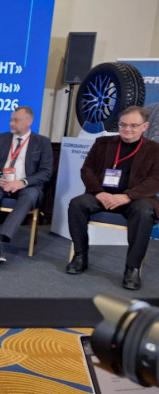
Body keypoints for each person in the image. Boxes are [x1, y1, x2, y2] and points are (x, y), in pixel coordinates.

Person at [66, 106, 159, 290]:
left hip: (135, 199)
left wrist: (127, 196)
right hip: (102, 194)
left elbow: (156, 179)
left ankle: (132, 268)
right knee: (77, 204)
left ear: (145, 126)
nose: (127, 129)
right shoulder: (102, 143)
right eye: (123, 125)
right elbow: (87, 170)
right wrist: (99, 192)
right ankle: (80, 256)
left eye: (133, 125)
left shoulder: (155, 149)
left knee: (144, 212)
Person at [0, 106, 53, 263]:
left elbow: (46, 172)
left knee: (30, 196)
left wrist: (22, 182)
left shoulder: (42, 142)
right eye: (11, 120)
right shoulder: (1, 139)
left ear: (29, 121)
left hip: (27, 186)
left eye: (16, 120)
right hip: (2, 183)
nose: (11, 123)